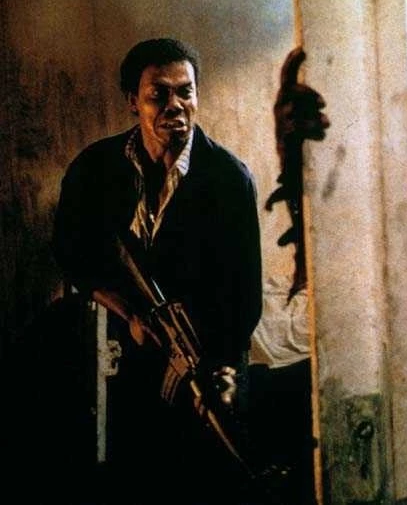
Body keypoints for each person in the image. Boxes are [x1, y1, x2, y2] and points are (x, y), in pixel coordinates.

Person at [52, 38, 263, 504]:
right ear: (133, 101)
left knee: (215, 478)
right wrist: (129, 312)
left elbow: (246, 299)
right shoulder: (94, 169)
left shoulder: (229, 179)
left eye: (185, 92)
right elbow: (70, 252)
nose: (175, 106)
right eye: (158, 94)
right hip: (128, 360)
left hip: (208, 359)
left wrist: (216, 364)